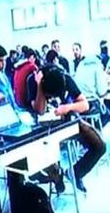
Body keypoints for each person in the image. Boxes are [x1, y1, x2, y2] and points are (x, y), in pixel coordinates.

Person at [28, 65, 105, 193]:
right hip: (44, 129)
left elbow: (85, 105)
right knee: (43, 150)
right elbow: (40, 110)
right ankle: (57, 178)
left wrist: (68, 107)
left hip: (69, 121)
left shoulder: (66, 78)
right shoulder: (33, 80)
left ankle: (75, 173)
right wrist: (40, 86)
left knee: (99, 146)